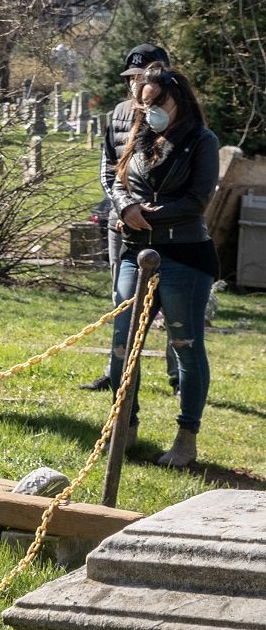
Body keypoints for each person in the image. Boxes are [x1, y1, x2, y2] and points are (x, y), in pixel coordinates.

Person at [106, 66, 219, 469]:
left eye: (158, 102)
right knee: (122, 346)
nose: (150, 109)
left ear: (179, 100)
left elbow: (196, 201)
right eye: (145, 102)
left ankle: (186, 437)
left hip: (184, 255)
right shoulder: (139, 136)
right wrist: (125, 207)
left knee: (185, 346)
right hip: (135, 254)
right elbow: (118, 181)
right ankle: (125, 426)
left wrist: (147, 214)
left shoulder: (202, 141)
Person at [82, 42, 176, 392]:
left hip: (164, 223)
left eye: (144, 75)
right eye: (132, 77)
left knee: (170, 299)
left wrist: (154, 211)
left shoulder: (178, 112)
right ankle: (116, 371)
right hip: (120, 219)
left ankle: (177, 375)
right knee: (120, 300)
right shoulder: (120, 112)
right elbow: (108, 169)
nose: (137, 83)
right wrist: (123, 207)